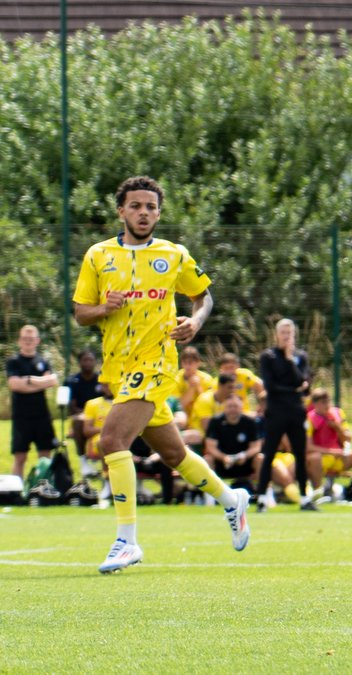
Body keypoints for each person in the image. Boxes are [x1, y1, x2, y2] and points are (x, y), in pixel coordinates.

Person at [73, 175, 250, 573]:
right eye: (135, 206)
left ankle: (126, 541)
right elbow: (81, 311)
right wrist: (104, 308)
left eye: (150, 207)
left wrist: (196, 322)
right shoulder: (98, 255)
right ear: (121, 211)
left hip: (157, 363)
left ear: (159, 213)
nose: (143, 212)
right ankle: (231, 500)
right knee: (173, 454)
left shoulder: (173, 255)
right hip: (118, 367)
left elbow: (202, 295)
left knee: (112, 439)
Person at [255, 318, 315, 511]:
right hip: (276, 412)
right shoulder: (268, 356)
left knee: (300, 453)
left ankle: (305, 498)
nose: (286, 336)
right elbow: (270, 386)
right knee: (269, 453)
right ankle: (262, 498)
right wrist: (294, 388)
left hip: (296, 412)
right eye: (283, 333)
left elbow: (305, 386)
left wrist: (290, 362)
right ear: (277, 334)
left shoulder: (300, 357)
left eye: (290, 333)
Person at [304, 388, 352, 506]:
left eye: (328, 401)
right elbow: (308, 447)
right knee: (314, 458)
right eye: (323, 402)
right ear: (315, 404)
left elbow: (348, 438)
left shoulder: (338, 413)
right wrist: (331, 452)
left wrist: (337, 428)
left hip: (339, 458)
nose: (327, 405)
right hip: (322, 459)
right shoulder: (310, 418)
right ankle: (317, 494)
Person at [6, 325, 60, 480]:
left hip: (42, 415)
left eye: (31, 339)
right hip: (21, 416)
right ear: (19, 341)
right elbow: (14, 385)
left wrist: (28, 380)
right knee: (20, 456)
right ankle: (17, 489)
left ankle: (45, 487)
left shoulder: (43, 361)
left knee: (45, 454)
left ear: (37, 341)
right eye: (24, 339)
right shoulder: (14, 362)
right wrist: (39, 382)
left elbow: (52, 381)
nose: (28, 342)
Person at [204, 395, 263, 490]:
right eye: (229, 406)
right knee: (208, 459)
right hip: (222, 462)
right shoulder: (215, 421)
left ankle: (263, 492)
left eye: (235, 406)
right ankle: (209, 496)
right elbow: (210, 447)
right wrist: (224, 458)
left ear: (241, 407)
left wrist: (245, 455)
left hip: (244, 461)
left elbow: (256, 446)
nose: (232, 409)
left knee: (260, 458)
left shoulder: (250, 422)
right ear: (224, 408)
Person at [65, 348, 105, 477]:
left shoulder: (102, 380)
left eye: (91, 360)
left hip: (102, 414)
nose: (88, 363)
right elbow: (72, 407)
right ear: (79, 362)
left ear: (95, 362)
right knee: (78, 421)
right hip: (83, 415)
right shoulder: (72, 381)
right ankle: (84, 461)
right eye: (85, 360)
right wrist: (89, 414)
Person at [175, 346, 214, 419]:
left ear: (198, 363)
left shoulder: (207, 379)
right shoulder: (176, 378)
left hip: (201, 417)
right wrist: (192, 388)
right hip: (183, 417)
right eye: (185, 362)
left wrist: (198, 386)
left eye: (190, 363)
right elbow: (178, 406)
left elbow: (207, 405)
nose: (187, 366)